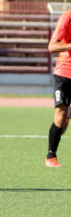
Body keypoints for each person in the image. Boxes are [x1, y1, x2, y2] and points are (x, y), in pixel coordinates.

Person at [45, 9, 71, 167]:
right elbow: (52, 47)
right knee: (60, 117)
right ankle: (51, 157)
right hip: (65, 73)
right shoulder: (67, 18)